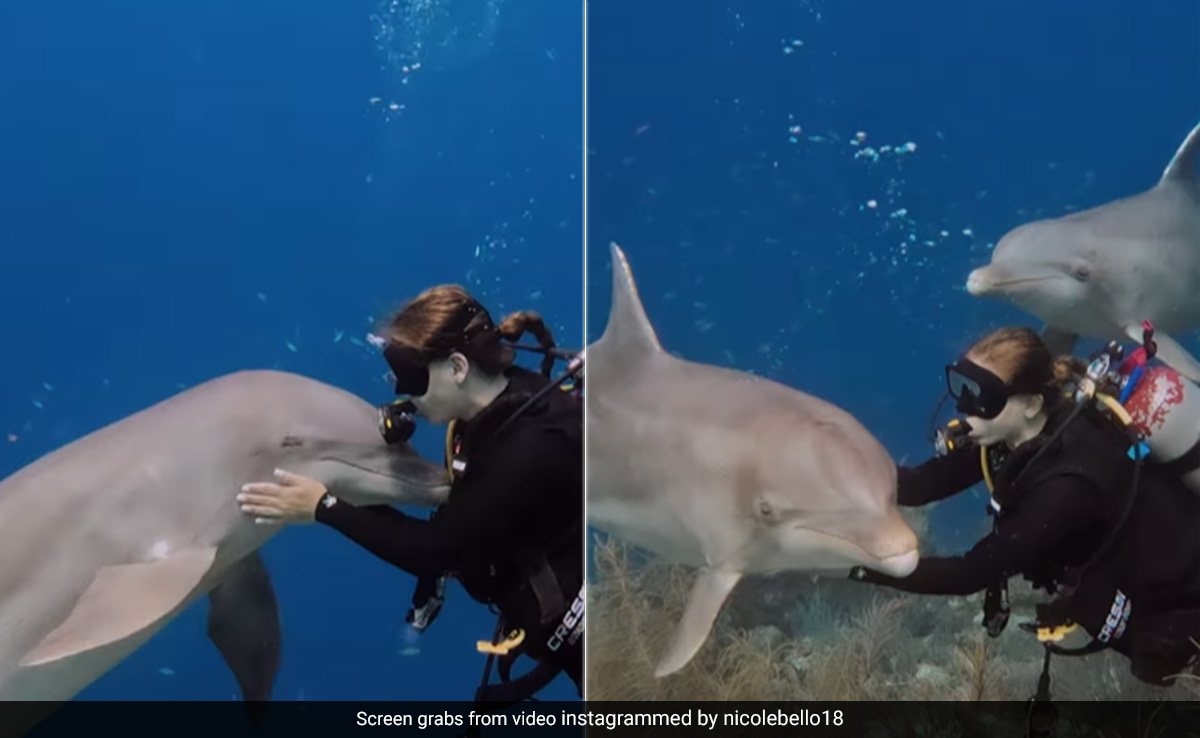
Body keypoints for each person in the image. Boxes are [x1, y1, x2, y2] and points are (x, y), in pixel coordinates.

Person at [235, 284, 584, 703]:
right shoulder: (491, 404)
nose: (404, 392)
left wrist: (323, 507)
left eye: (415, 378)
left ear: (458, 368)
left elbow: (434, 549)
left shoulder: (528, 445)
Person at [848, 326, 1200, 690]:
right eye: (962, 386)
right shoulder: (1010, 436)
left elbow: (969, 573)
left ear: (1031, 404)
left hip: (1185, 589)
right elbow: (916, 486)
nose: (967, 409)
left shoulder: (1067, 486)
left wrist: (854, 565)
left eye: (984, 397)